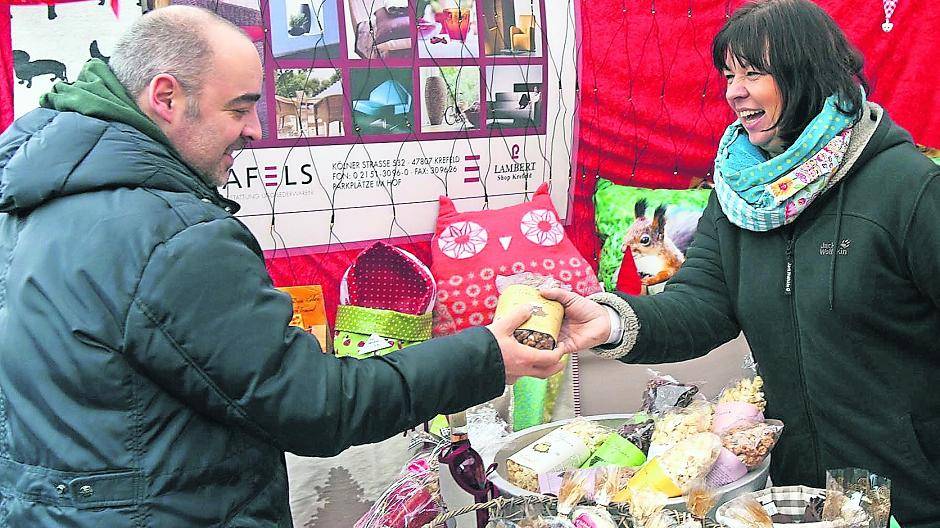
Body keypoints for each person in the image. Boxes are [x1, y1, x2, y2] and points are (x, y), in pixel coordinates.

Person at [0, 6, 566, 526]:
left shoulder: (33, 198)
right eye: (239, 107)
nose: (255, 128)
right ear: (166, 97)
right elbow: (317, 405)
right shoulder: (172, 236)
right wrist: (487, 356)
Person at [541, 0, 940, 525]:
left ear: (809, 75)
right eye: (729, 75)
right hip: (797, 495)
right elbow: (701, 304)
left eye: (753, 74)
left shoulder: (907, 187)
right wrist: (609, 320)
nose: (734, 91)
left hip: (911, 493)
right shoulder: (740, 194)